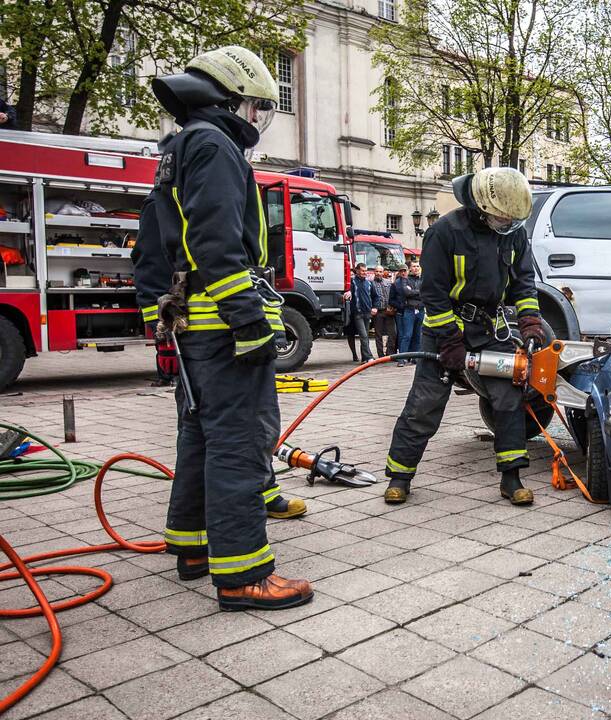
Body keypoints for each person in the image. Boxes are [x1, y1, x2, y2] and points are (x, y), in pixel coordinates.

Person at [132, 45, 312, 611]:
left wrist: (158, 322)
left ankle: (192, 545)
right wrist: (250, 323)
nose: (258, 116)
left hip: (194, 329)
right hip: (223, 330)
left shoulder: (178, 149)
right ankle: (242, 574)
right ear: (234, 100)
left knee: (201, 437)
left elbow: (149, 251)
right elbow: (216, 242)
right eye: (256, 105)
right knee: (239, 443)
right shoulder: (215, 145)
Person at [384, 167, 546, 506]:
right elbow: (434, 294)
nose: (509, 225)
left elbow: (523, 283)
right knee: (425, 404)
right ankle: (399, 476)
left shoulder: (512, 233)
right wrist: (449, 340)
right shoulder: (444, 232)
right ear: (483, 208)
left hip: (490, 331)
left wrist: (530, 322)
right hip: (445, 330)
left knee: (508, 398)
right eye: (504, 218)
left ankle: (511, 477)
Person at [343, 262, 379, 362]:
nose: (365, 272)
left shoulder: (369, 283)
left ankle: (364, 358)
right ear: (357, 270)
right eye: (363, 270)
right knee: (363, 335)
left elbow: (376, 296)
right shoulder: (352, 281)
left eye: (365, 270)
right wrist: (348, 292)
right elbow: (347, 290)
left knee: (366, 336)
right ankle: (369, 356)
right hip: (357, 313)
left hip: (368, 313)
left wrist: (375, 307)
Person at [371, 266, 397, 357]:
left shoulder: (388, 282)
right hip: (378, 312)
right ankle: (381, 355)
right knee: (378, 335)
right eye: (377, 271)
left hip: (389, 311)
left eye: (380, 271)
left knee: (393, 333)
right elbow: (369, 297)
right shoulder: (371, 283)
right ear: (374, 272)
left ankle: (390, 354)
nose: (378, 273)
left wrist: (393, 306)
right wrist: (372, 307)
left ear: (383, 272)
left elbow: (393, 295)